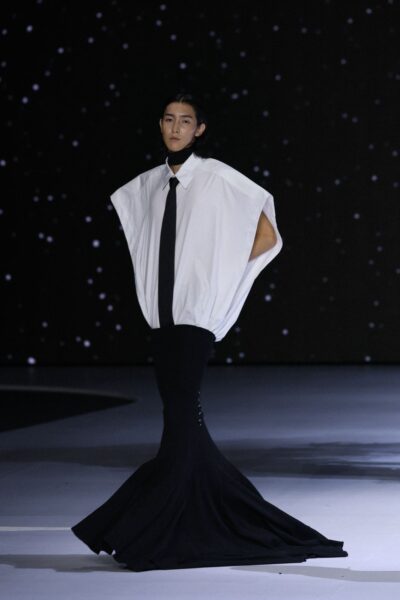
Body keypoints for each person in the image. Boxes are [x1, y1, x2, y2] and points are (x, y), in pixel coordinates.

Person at [71, 93, 347, 571]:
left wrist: (217, 276)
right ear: (160, 125)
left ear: (199, 129)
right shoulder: (149, 184)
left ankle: (154, 528)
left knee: (181, 423)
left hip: (195, 319)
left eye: (186, 121)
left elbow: (267, 235)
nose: (176, 128)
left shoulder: (218, 177)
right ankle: (222, 519)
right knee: (182, 427)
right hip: (162, 320)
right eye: (169, 119)